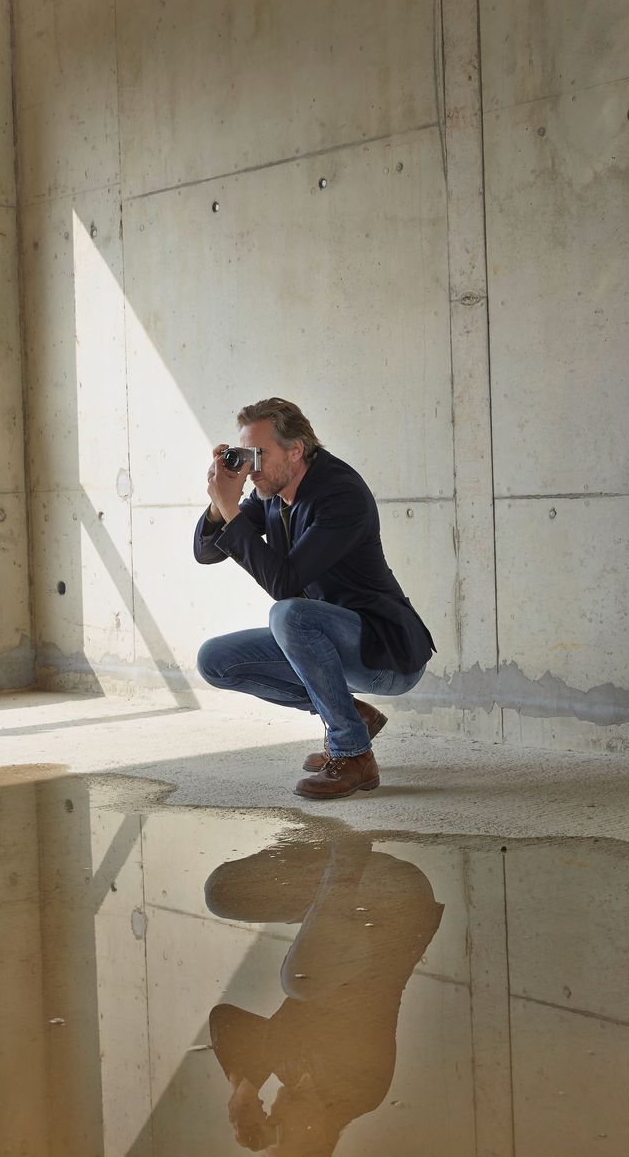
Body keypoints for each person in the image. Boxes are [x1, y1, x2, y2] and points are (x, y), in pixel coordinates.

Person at [193, 398, 436, 799]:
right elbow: (206, 552)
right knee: (215, 660)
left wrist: (231, 508)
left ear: (295, 450)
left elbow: (285, 583)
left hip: (384, 651)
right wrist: (221, 507)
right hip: (324, 643)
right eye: (246, 455)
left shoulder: (341, 494)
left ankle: (352, 753)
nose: (251, 468)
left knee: (288, 614)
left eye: (259, 455)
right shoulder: (271, 493)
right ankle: (351, 716)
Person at [203, 838, 445, 1154]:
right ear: (315, 1136)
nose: (272, 1118)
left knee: (222, 893)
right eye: (281, 1133)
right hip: (396, 899)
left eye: (269, 1132)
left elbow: (225, 1020)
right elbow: (308, 1018)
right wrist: (257, 1070)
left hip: (350, 895)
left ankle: (315, 838)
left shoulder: (288, 1070)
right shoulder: (360, 1090)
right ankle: (350, 838)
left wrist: (243, 1088)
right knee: (301, 984)